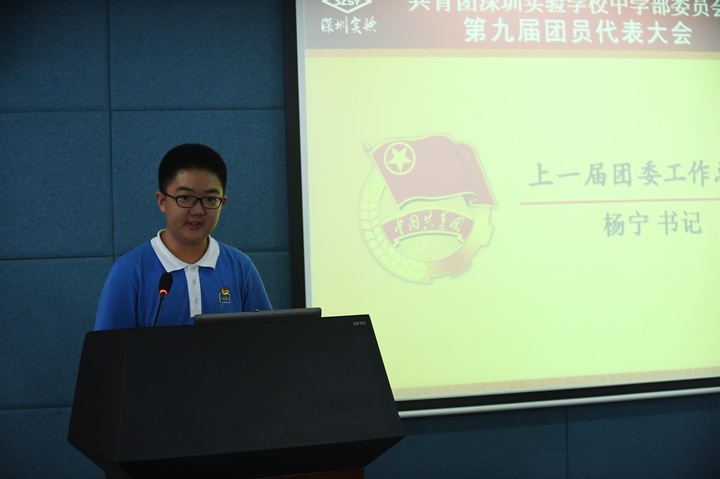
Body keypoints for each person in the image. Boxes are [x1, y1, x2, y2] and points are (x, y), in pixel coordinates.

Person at [94, 143, 272, 330]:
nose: (198, 210)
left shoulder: (241, 267)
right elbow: (109, 346)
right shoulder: (129, 272)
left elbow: (266, 339)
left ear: (223, 203)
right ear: (162, 201)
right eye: (185, 198)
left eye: (210, 199)